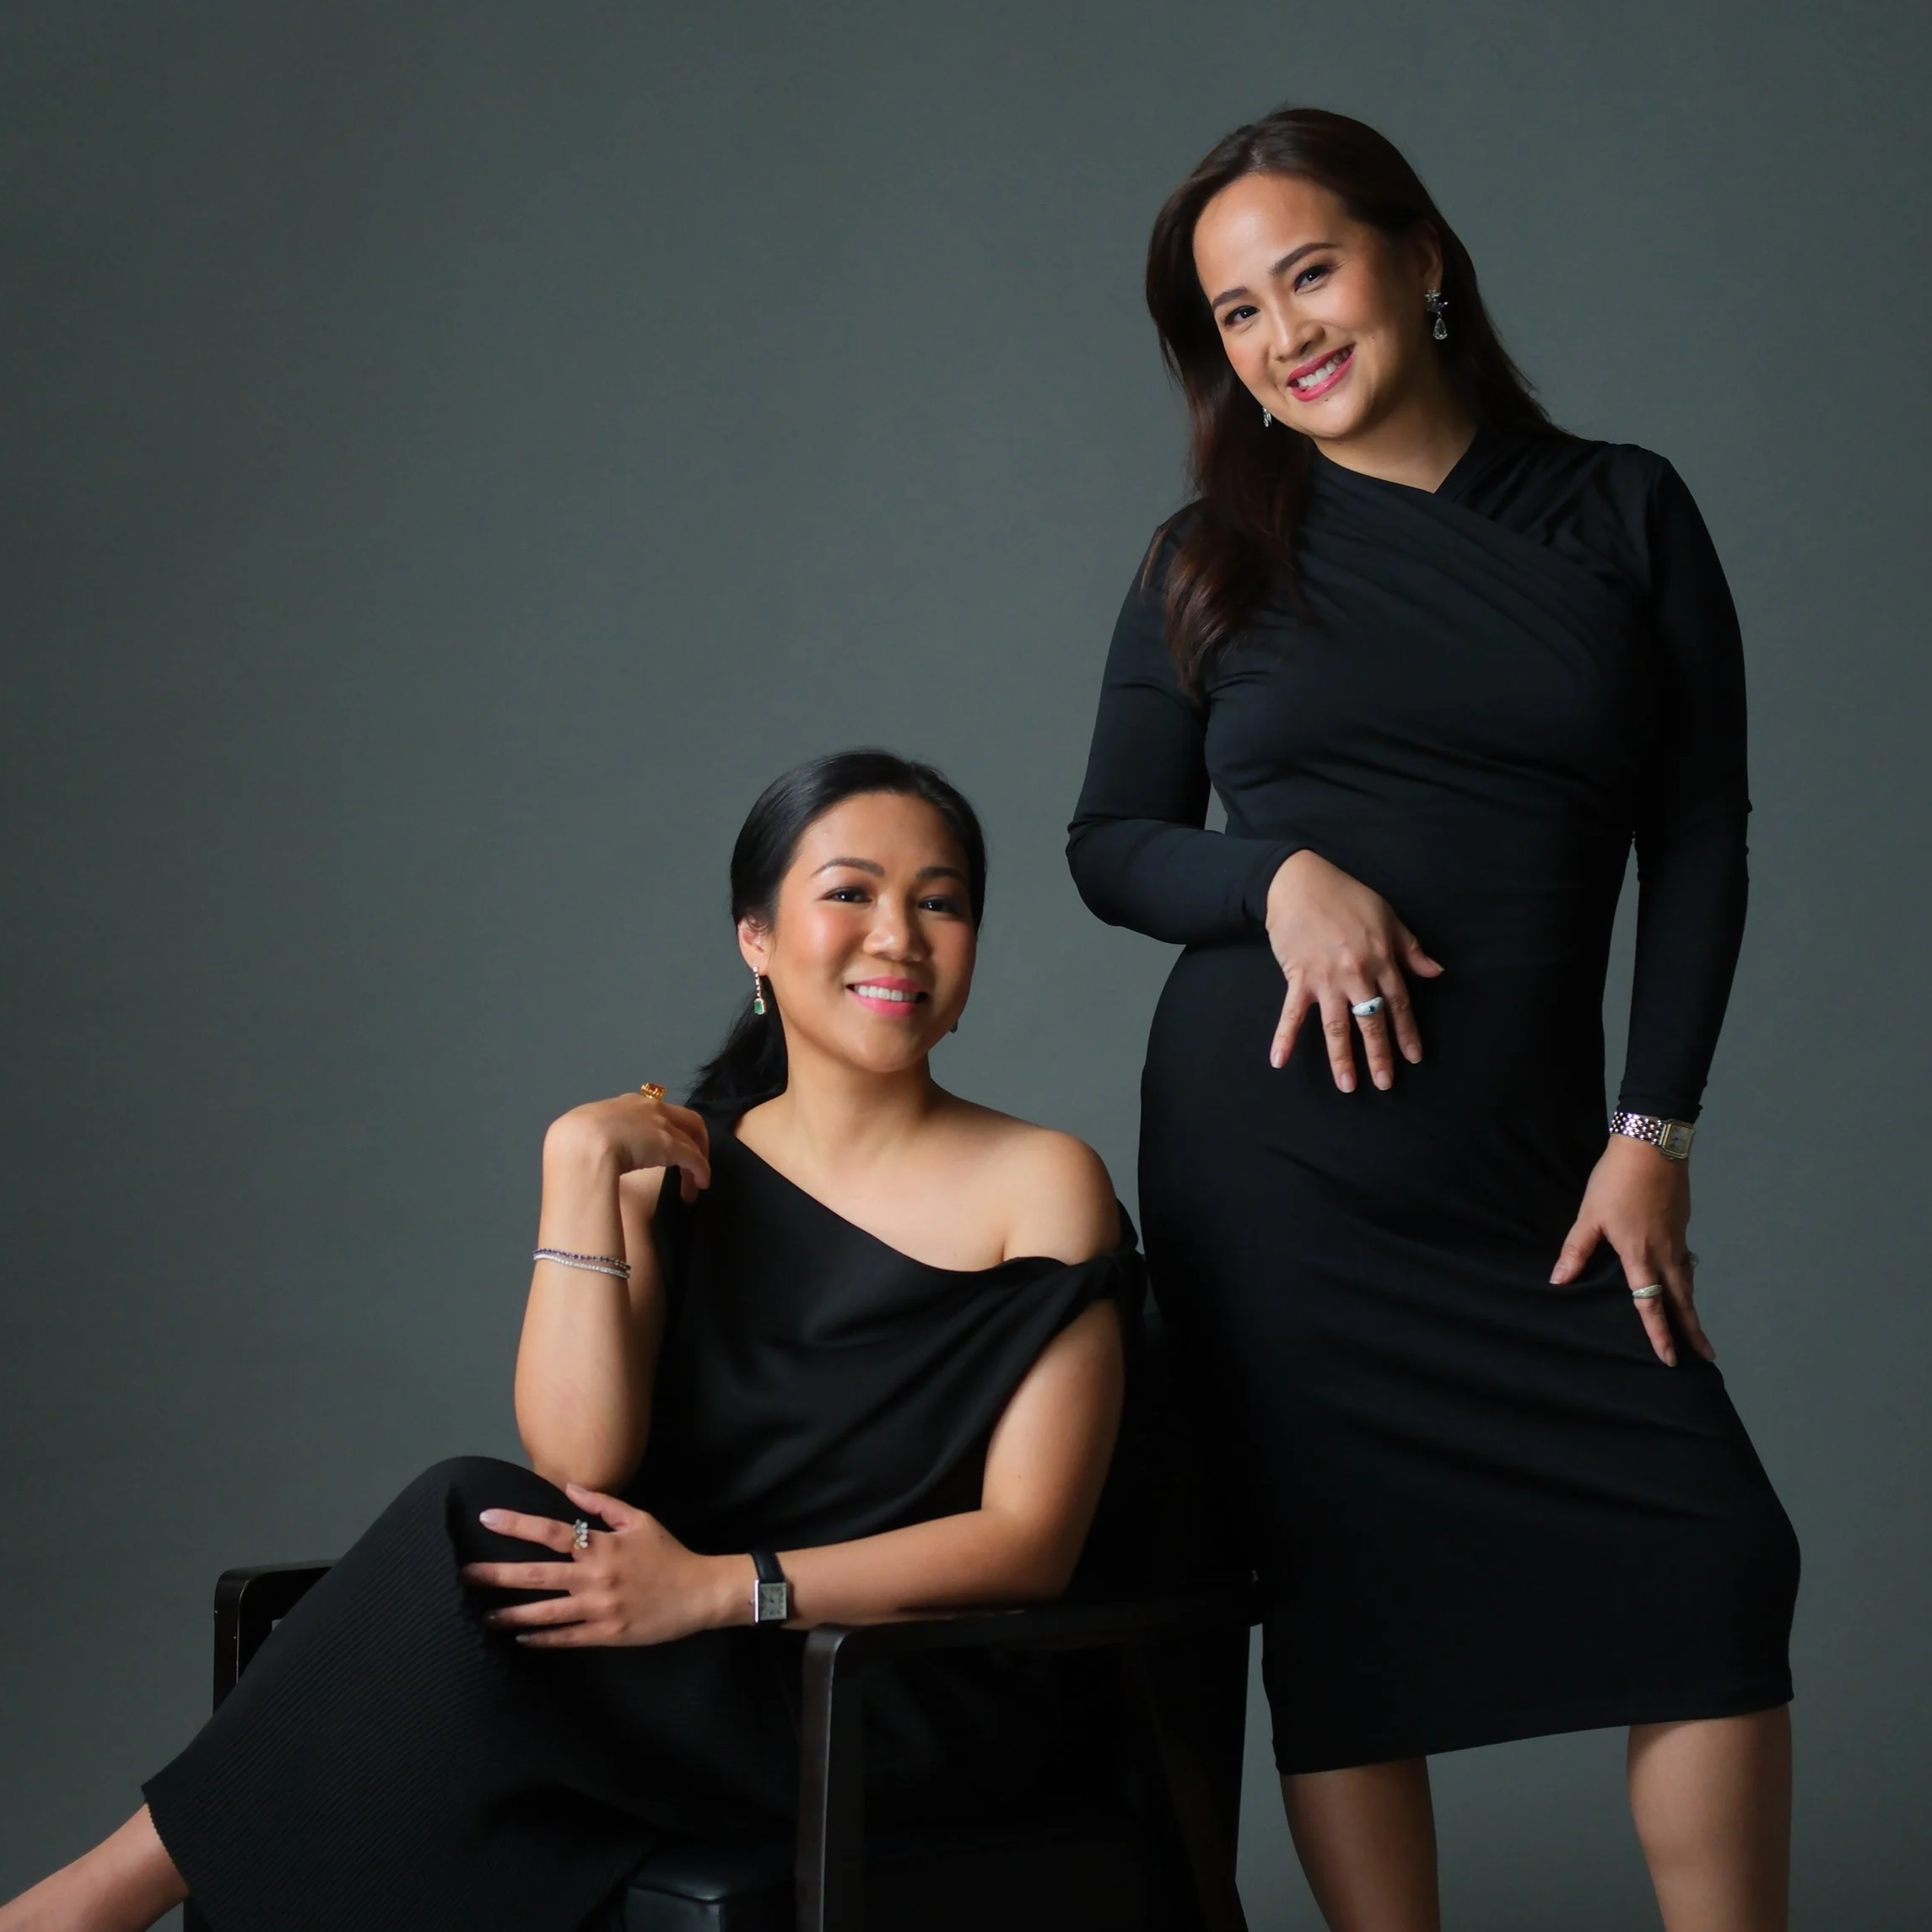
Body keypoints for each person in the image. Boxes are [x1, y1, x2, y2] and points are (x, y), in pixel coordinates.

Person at [1066, 105, 1799, 1932]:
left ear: (1420, 258)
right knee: (1343, 1609)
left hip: (1533, 1163)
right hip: (1282, 1175)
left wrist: (1652, 1134)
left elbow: (1694, 836)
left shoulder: (1621, 509)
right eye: (1232, 313)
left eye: (1305, 273)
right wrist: (1274, 879)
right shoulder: (1201, 555)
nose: (1280, 334)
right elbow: (1107, 843)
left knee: (1711, 1562)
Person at [6, 750, 1131, 1932]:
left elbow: (1030, 1540)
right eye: (849, 892)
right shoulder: (685, 1167)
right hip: (692, 1669)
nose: (898, 933)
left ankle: (74, 1911)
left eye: (939, 901)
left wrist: (717, 1590)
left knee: (452, 1563)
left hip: (897, 1691)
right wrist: (577, 1168)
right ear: (755, 937)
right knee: (481, 1546)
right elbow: (578, 1461)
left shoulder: (1041, 1178)